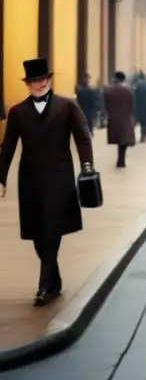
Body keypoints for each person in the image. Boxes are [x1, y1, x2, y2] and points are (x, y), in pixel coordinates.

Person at [0, 58, 94, 306]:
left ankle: (43, 285)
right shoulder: (17, 112)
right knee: (37, 233)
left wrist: (87, 167)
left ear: (48, 80)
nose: (40, 84)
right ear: (27, 84)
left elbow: (83, 137)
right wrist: (1, 178)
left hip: (59, 177)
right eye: (34, 81)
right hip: (29, 179)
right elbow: (7, 147)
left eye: (43, 80)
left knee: (52, 229)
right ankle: (54, 277)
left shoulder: (67, 106)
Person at [103, 71, 136, 167]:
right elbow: (132, 104)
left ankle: (120, 159)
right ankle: (121, 160)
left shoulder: (108, 89)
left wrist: (108, 113)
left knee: (118, 139)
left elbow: (105, 104)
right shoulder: (128, 89)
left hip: (113, 118)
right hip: (126, 117)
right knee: (124, 139)